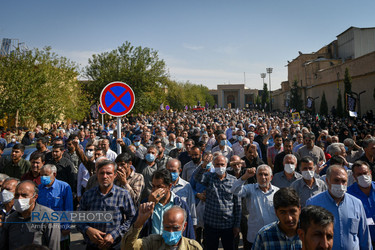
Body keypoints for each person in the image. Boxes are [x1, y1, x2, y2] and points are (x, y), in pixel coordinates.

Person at [306, 165, 371, 249]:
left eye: (343, 181)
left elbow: (364, 236)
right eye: (336, 180)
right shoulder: (313, 203)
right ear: (327, 181)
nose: (340, 184)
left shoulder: (357, 203)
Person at [77, 159, 135, 249]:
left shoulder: (123, 194)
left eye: (109, 173)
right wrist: (88, 230)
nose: (105, 176)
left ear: (115, 175)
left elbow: (131, 219)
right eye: (101, 173)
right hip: (92, 246)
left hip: (115, 246)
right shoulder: (88, 195)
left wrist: (114, 235)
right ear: (97, 174)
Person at [194, 154, 241, 250]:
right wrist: (204, 165)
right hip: (211, 224)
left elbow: (238, 204)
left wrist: (236, 225)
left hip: (228, 225)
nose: (220, 167)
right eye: (217, 165)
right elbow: (197, 177)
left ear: (226, 165)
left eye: (222, 164)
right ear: (214, 166)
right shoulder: (209, 177)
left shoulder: (233, 180)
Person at [135, 168, 195, 239]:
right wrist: (149, 205)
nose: (155, 190)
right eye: (153, 186)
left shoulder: (180, 205)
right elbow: (136, 227)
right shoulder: (146, 203)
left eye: (159, 187)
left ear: (169, 186)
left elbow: (189, 233)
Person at [0, 180, 61, 249]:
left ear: (35, 197)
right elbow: (3, 245)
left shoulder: (48, 217)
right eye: (17, 195)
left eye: (24, 195)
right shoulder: (11, 218)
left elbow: (54, 246)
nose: (19, 198)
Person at [230, 164, 279, 249]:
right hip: (254, 237)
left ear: (271, 177)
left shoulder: (277, 192)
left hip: (273, 236)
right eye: (260, 174)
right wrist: (244, 177)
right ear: (256, 176)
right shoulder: (250, 189)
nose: (263, 177)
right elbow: (234, 190)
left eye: (266, 174)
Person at [122, 203, 202, 249]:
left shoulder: (193, 247)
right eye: (167, 227)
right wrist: (139, 222)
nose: (171, 231)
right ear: (163, 224)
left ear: (184, 226)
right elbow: (128, 247)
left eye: (175, 228)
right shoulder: (153, 242)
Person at [37, 164, 73, 250]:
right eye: (41, 175)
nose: (43, 177)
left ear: (54, 174)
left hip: (60, 227)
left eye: (46, 175)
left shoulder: (64, 187)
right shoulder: (39, 188)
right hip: (43, 227)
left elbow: (68, 208)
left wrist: (66, 226)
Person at [347, 161, 375, 245]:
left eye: (365, 173)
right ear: (354, 177)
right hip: (362, 241)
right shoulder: (348, 194)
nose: (363, 176)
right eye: (359, 174)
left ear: (370, 173)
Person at [166, 158, 197, 227]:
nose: (171, 173)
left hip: (182, 224)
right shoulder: (163, 186)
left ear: (180, 171)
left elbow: (191, 206)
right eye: (168, 171)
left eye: (174, 171)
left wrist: (193, 224)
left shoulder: (186, 186)